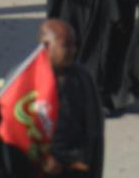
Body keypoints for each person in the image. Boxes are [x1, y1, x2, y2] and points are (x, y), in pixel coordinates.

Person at [38, 18, 105, 178]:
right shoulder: (30, 79)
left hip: (78, 163)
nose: (72, 50)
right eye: (65, 46)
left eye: (73, 45)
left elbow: (93, 122)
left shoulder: (82, 77)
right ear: (46, 47)